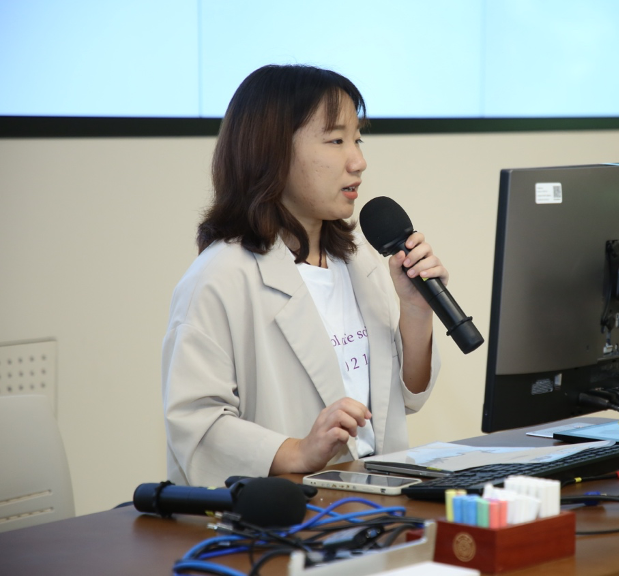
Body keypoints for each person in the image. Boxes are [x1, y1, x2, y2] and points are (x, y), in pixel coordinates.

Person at [161, 64, 443, 487]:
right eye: (336, 140)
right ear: (272, 152)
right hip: (288, 511)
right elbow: (196, 427)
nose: (358, 161)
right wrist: (299, 451)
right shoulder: (219, 277)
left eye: (357, 139)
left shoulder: (360, 260)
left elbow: (405, 399)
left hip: (376, 497)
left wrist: (416, 310)